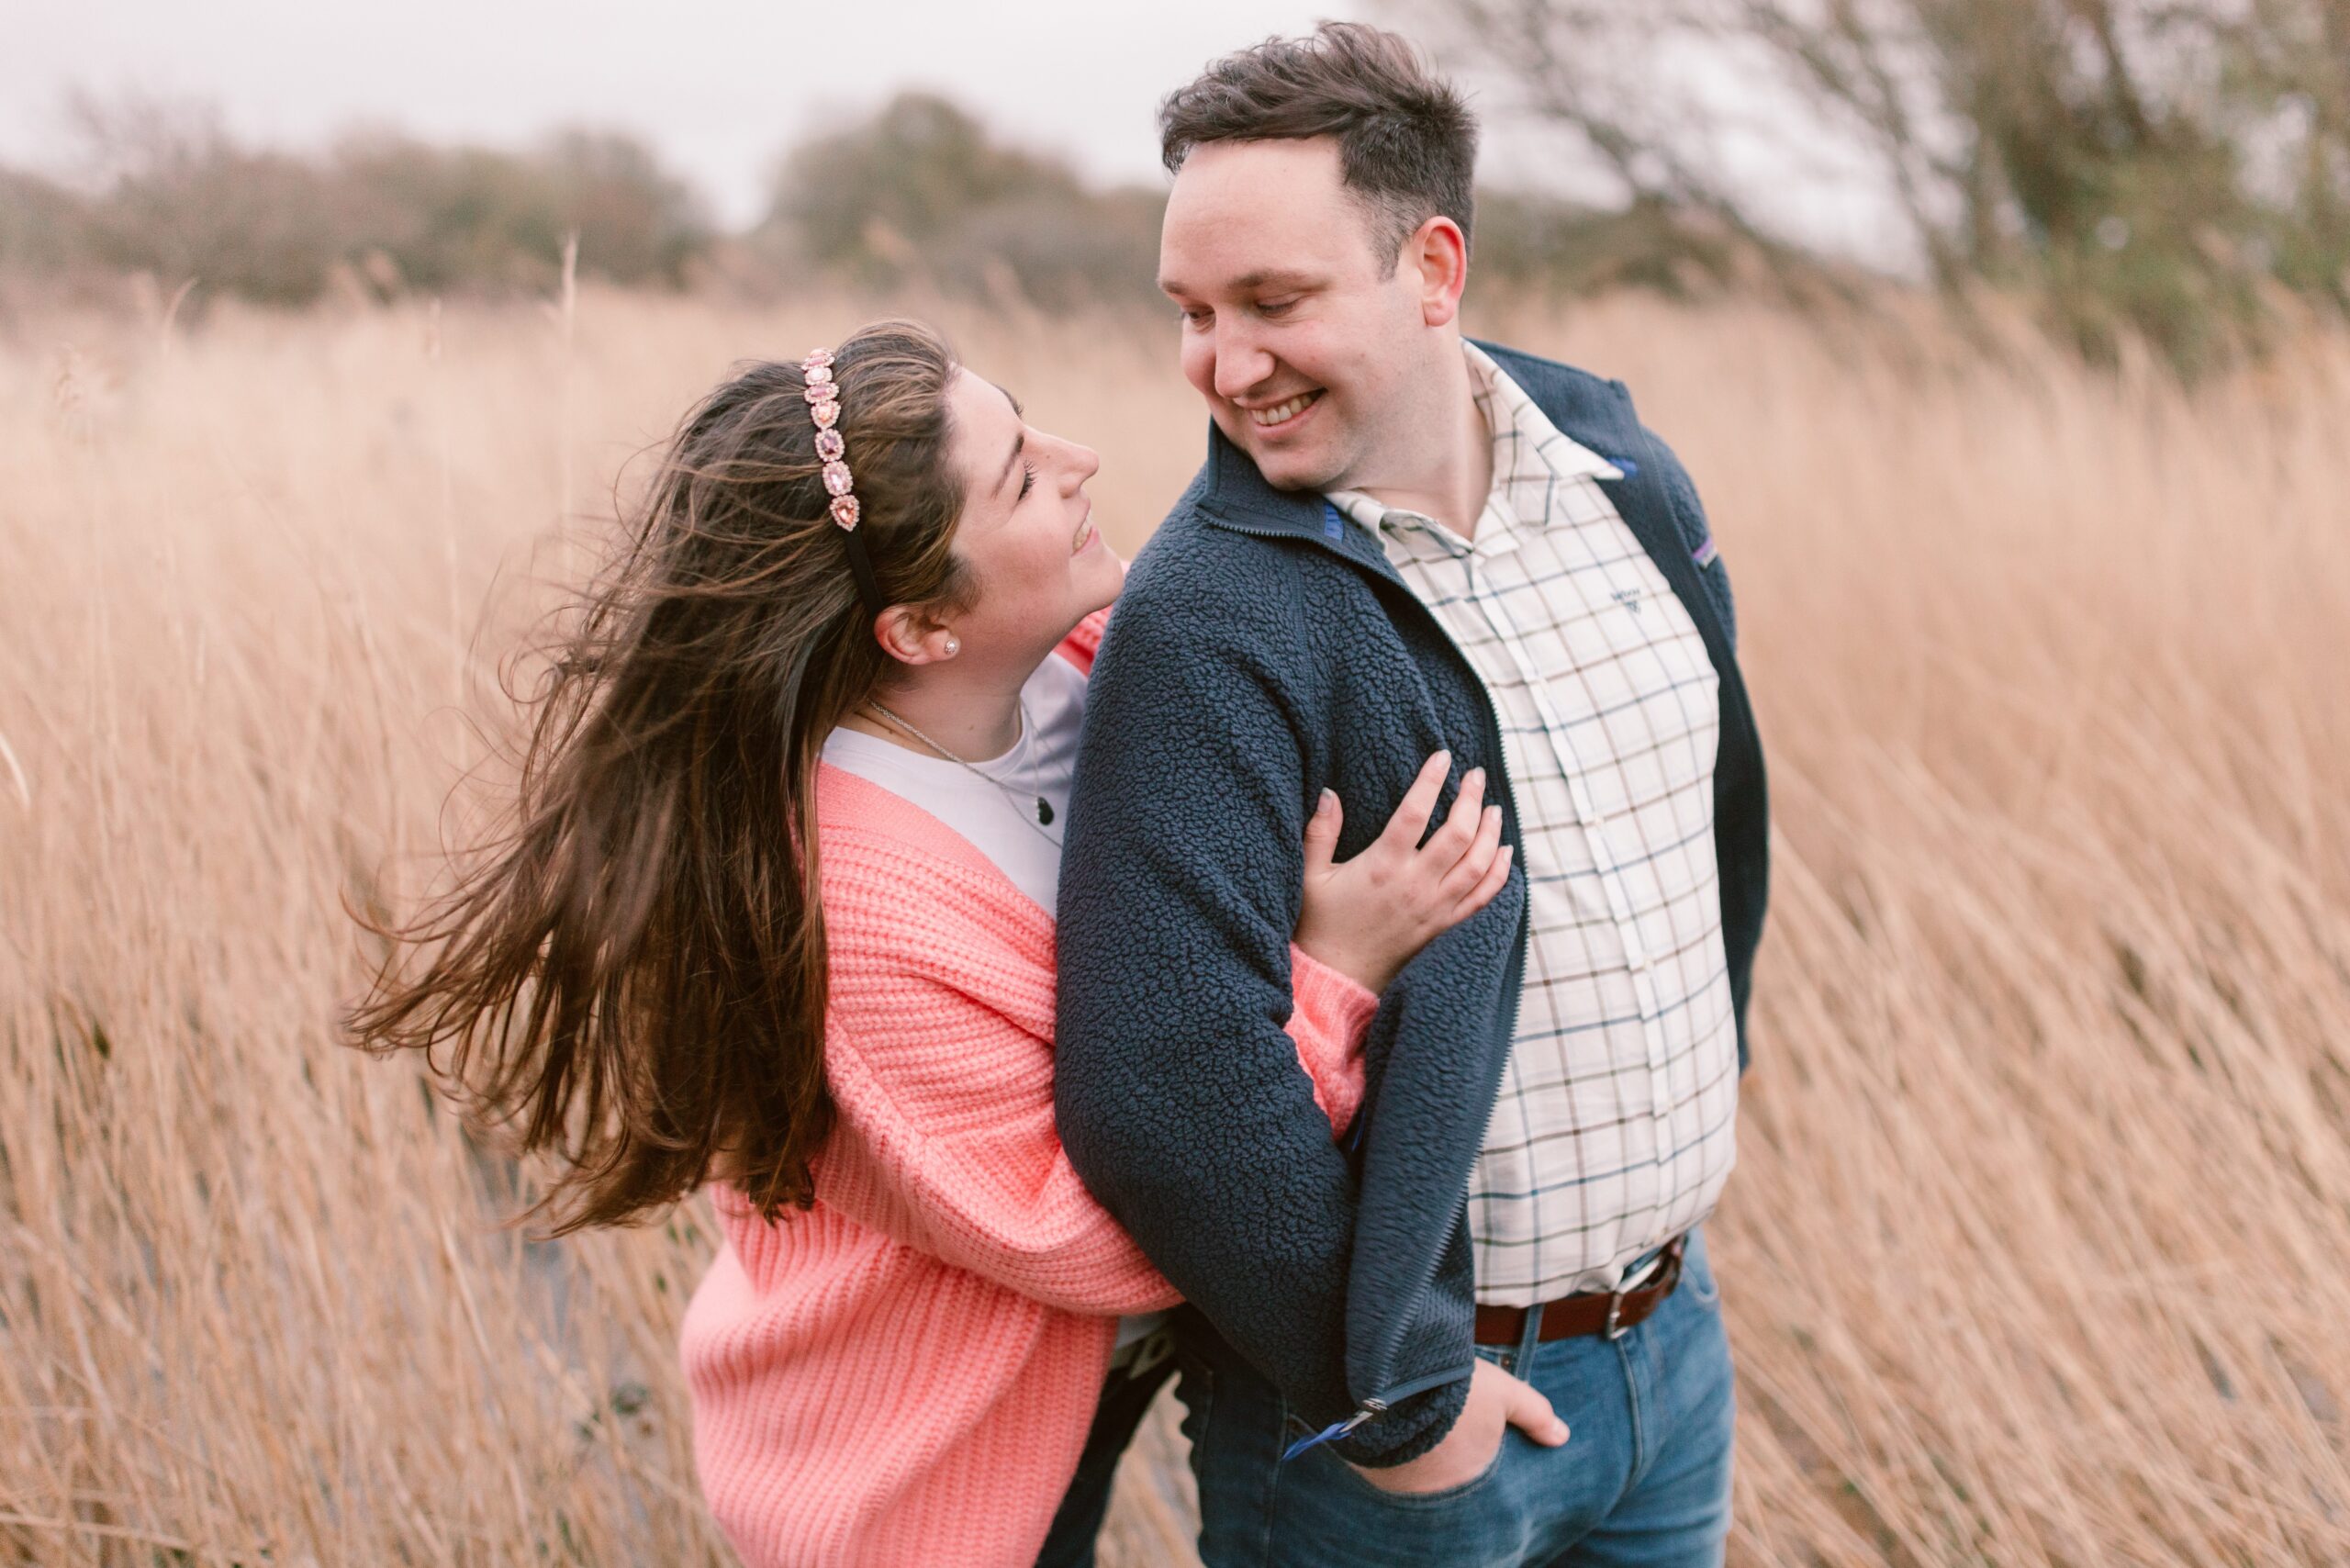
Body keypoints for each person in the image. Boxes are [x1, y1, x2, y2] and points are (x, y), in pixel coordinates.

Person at [342, 319, 1519, 1568]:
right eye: (1020, 475)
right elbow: (1093, 1236)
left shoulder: (1079, 670)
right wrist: (1329, 980)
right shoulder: (860, 917)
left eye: (1027, 422)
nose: (1081, 459)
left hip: (1087, 1371)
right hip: (910, 1461)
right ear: (918, 631)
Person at [1054, 24, 1772, 1567]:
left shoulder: (1623, 475)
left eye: (1275, 301)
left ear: (1432, 268)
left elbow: (1712, 837)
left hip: (1669, 1342)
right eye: (1193, 312)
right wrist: (1398, 1402)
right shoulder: (1208, 614)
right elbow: (1161, 1087)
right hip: (1396, 1441)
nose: (1226, 364)